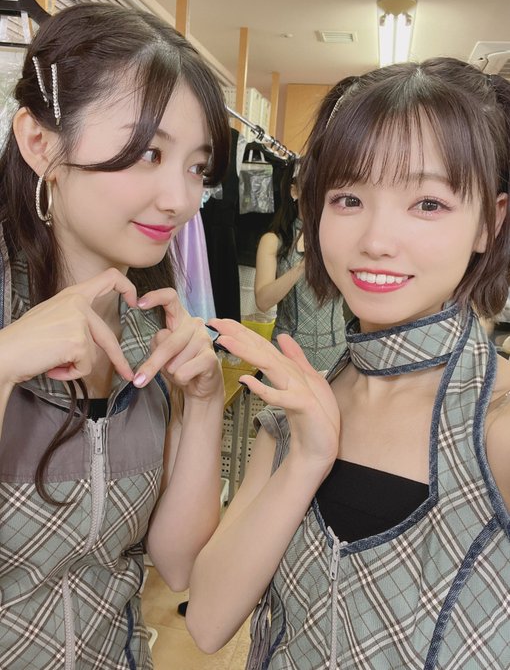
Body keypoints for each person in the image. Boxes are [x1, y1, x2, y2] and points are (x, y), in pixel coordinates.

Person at [186, 57, 510, 669]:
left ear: (489, 223)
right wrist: (306, 459)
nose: (376, 240)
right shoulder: (299, 407)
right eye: (349, 198)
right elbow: (206, 621)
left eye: (429, 203)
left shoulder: (495, 424)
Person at [0, 2, 230, 669]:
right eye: (149, 153)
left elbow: (177, 563)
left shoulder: (151, 328)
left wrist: (204, 403)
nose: (180, 200)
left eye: (196, 167)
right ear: (40, 142)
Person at [255, 159, 346, 371]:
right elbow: (263, 301)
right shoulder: (273, 241)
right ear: (295, 191)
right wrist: (302, 265)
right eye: (311, 190)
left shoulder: (340, 239)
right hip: (287, 354)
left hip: (335, 353)